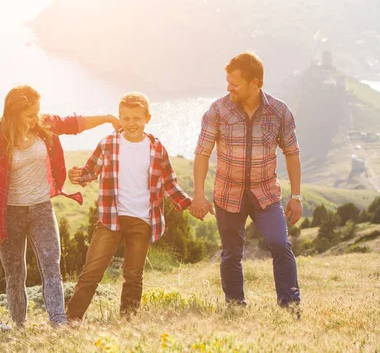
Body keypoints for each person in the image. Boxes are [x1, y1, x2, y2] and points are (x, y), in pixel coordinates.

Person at [0, 85, 120, 327]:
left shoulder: (43, 126)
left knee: (51, 266)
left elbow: (75, 124)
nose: (36, 119)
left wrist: (108, 118)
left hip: (41, 208)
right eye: (30, 115)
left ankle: (58, 321)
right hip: (8, 213)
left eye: (37, 113)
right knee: (15, 275)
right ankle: (19, 325)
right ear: (14, 114)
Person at [65, 92, 193, 322]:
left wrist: (189, 204)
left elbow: (169, 183)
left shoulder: (156, 148)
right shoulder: (108, 143)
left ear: (147, 118)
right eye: (125, 118)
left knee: (133, 276)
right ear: (119, 119)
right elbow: (89, 171)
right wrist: (77, 176)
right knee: (91, 273)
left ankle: (128, 323)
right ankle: (71, 321)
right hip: (110, 218)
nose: (131, 123)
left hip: (143, 220)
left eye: (136, 118)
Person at [191, 52, 302, 308]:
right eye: (227, 82)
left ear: (255, 82)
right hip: (228, 193)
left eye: (235, 83)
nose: (229, 88)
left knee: (279, 243)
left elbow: (292, 154)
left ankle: (290, 304)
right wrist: (199, 193)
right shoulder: (218, 110)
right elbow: (202, 153)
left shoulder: (279, 111)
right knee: (231, 253)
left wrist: (296, 197)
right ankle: (235, 305)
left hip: (266, 193)